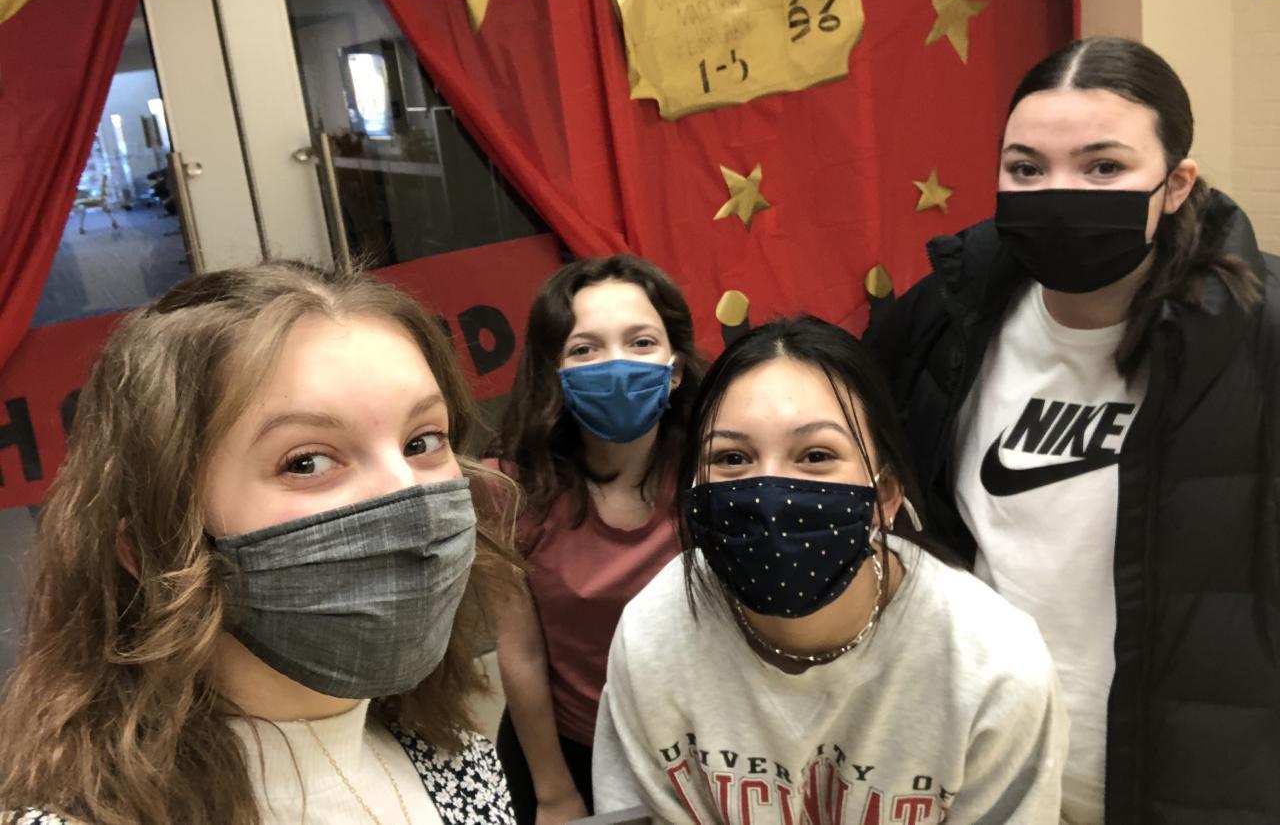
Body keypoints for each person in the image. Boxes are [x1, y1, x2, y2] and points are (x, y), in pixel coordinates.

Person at [865, 37, 1280, 824]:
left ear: (1175, 184)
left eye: (1103, 167)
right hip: (989, 775)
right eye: (1026, 169)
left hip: (1195, 790)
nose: (1059, 193)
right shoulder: (948, 317)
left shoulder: (1258, 339)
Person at [0, 262, 520, 825]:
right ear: (154, 550)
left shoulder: (457, 760)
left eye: (423, 441)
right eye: (307, 462)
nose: (409, 493)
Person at [593, 316, 1067, 824]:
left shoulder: (994, 669)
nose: (769, 495)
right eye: (731, 457)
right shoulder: (653, 636)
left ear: (886, 496)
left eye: (816, 455)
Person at [493, 256, 703, 825]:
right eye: (585, 349)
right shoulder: (511, 491)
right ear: (555, 374)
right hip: (565, 754)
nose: (616, 366)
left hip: (700, 749)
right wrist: (554, 793)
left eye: (641, 342)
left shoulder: (717, 472)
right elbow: (521, 654)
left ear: (675, 368)